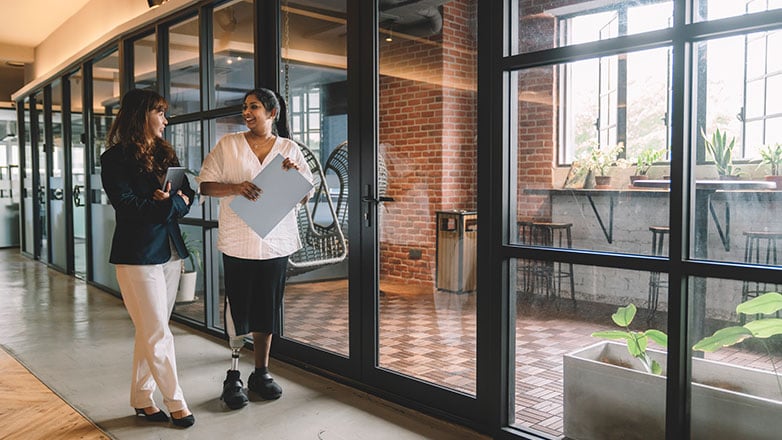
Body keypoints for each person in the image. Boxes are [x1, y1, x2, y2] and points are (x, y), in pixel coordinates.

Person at [197, 88, 313, 410]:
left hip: (276, 243)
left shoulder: (289, 149)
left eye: (254, 107)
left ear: (272, 113)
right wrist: (235, 187)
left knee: (267, 310)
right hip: (238, 242)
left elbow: (304, 196)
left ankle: (260, 373)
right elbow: (205, 185)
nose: (247, 112)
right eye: (245, 107)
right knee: (238, 310)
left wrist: (294, 177)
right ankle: (233, 375)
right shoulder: (228, 145)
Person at [100, 88, 196, 428]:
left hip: (169, 253)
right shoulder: (113, 159)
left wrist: (173, 202)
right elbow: (127, 206)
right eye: (160, 112)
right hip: (137, 255)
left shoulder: (164, 153)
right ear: (142, 114)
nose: (166, 120)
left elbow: (189, 193)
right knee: (157, 333)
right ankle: (177, 402)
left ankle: (142, 398)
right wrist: (168, 204)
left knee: (151, 330)